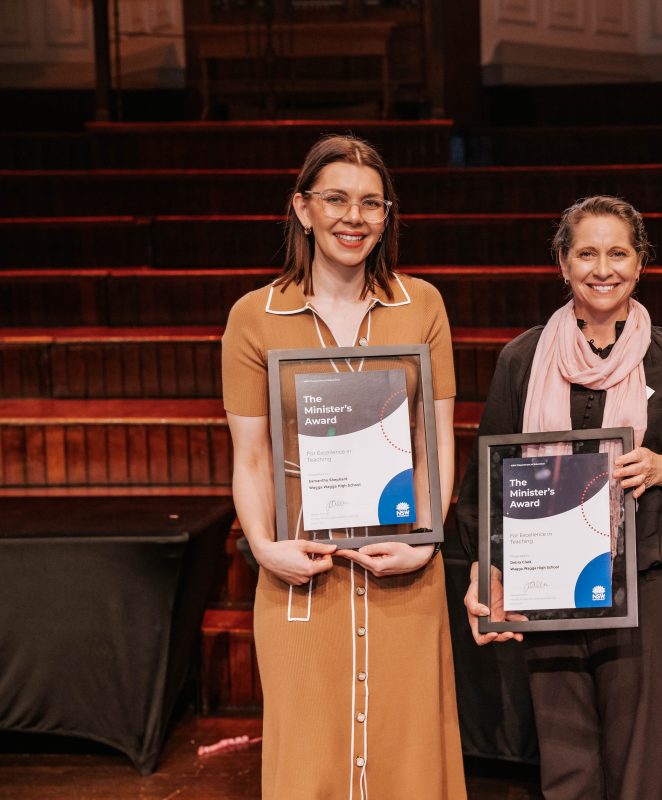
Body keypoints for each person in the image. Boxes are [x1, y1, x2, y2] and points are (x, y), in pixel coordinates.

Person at [456, 195, 662, 799]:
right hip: (549, 585)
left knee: (639, 774)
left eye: (618, 253)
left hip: (649, 585)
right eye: (586, 252)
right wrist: (490, 570)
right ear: (563, 262)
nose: (602, 268)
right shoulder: (523, 359)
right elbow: (487, 481)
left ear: (639, 265)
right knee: (567, 772)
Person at [221, 134, 466, 799]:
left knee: (410, 758)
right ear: (302, 208)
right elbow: (248, 457)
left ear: (387, 216)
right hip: (303, 570)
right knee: (310, 760)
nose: (353, 218)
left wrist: (424, 544)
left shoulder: (423, 305)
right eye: (335, 199)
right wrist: (265, 548)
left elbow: (436, 444)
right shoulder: (253, 317)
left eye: (370, 204)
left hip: (404, 570)